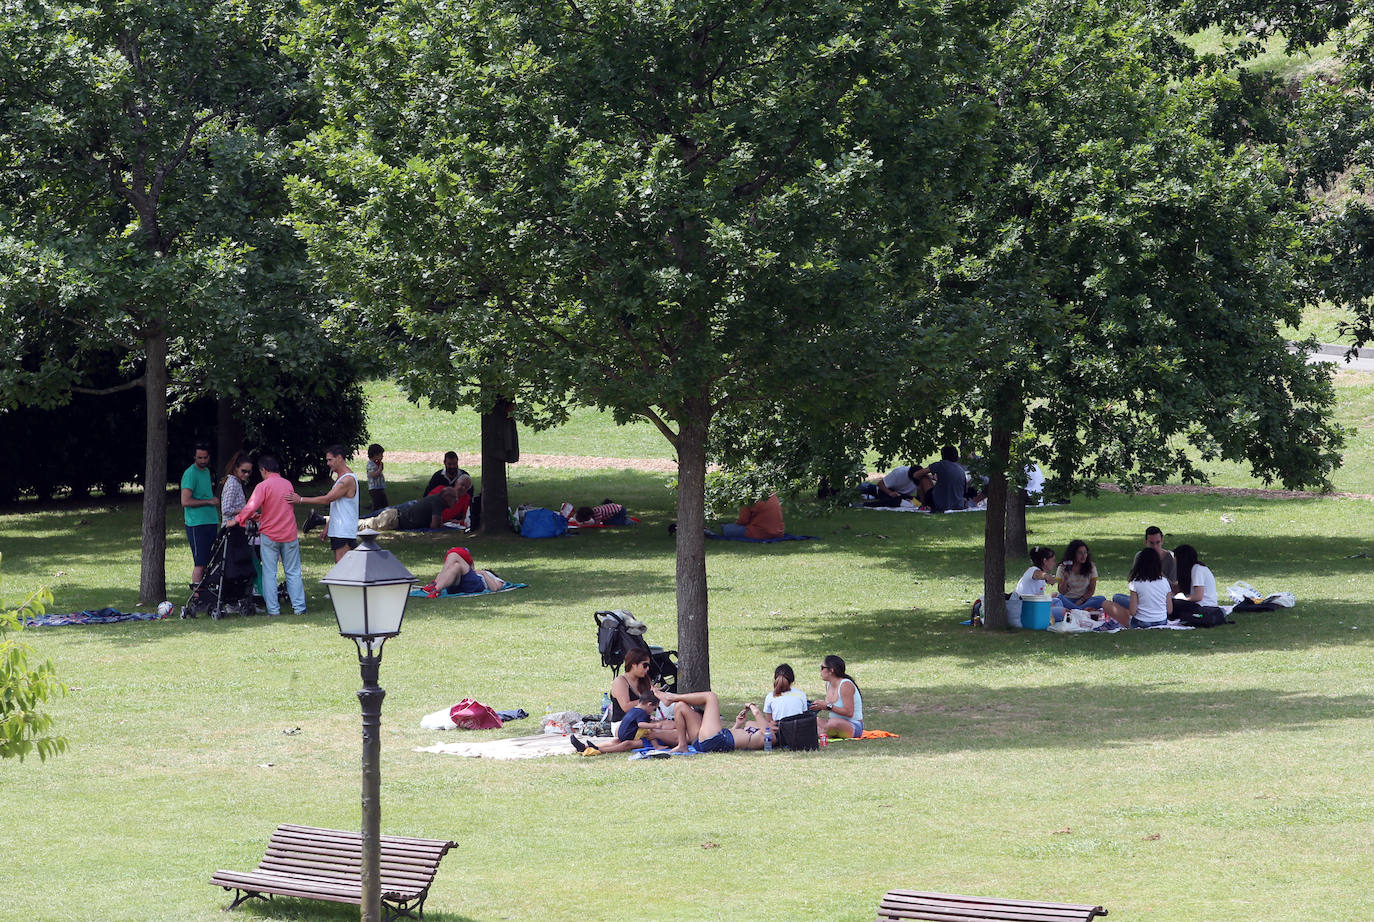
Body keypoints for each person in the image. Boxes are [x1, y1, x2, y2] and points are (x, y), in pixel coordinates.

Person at [234, 454, 306, 616]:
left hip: (270, 535)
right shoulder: (288, 484)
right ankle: (299, 608)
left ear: (264, 470)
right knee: (293, 571)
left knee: (269, 573)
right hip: (289, 533)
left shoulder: (263, 486)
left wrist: (238, 519)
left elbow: (251, 507)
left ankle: (273, 610)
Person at [291, 445, 359, 562]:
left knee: (343, 566)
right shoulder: (341, 478)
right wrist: (328, 526)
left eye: (330, 460)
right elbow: (338, 506)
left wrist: (301, 499)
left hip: (344, 531)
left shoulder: (347, 480)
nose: (328, 463)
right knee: (342, 565)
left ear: (339, 458)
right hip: (340, 530)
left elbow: (327, 499)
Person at [654, 688, 773, 753]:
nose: (773, 722)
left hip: (717, 741)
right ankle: (682, 745)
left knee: (711, 697)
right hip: (710, 741)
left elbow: (760, 719)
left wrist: (752, 706)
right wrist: (738, 724)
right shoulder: (760, 726)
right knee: (680, 706)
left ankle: (671, 697)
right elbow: (735, 737)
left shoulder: (771, 736)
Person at [571, 690, 679, 755]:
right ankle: (586, 746)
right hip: (645, 736)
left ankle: (597, 749)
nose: (653, 712)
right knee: (617, 741)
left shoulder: (672, 724)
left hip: (653, 739)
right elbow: (642, 725)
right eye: (654, 709)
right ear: (649, 704)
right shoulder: (642, 713)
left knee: (627, 744)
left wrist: (657, 726)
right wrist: (656, 724)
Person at [320, 487, 457, 532]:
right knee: (361, 525)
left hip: (393, 516)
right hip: (392, 520)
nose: (456, 502)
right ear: (446, 497)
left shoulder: (435, 500)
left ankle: (325, 519)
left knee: (362, 521)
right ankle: (324, 520)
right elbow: (434, 526)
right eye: (454, 499)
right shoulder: (437, 502)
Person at [1102, 543, 1173, 628]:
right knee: (1118, 597)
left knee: (1106, 604)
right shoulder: (1165, 581)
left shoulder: (1136, 582)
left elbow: (1133, 612)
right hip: (1161, 622)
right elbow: (1169, 610)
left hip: (1141, 623)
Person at [180, 443, 219, 588]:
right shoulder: (190, 474)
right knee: (200, 563)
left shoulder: (208, 471)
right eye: (199, 458)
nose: (203, 460)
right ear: (194, 457)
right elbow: (185, 501)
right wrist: (209, 501)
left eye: (205, 457)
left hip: (211, 521)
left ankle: (206, 592)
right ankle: (197, 596)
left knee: (210, 561)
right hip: (197, 524)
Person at [1112, 526, 1178, 608]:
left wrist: (1159, 574)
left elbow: (1173, 588)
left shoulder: (1171, 558)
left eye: (1157, 542)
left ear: (1162, 541)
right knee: (1117, 597)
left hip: (1162, 600)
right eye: (1151, 543)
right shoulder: (1140, 556)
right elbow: (1133, 581)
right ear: (1146, 542)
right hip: (1142, 597)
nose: (1155, 547)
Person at [809, 654, 864, 739]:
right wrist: (818, 706)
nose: (820, 671)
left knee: (833, 723)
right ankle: (821, 733)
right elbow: (829, 707)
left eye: (822, 668)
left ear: (831, 670)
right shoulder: (828, 684)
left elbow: (849, 712)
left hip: (852, 725)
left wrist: (827, 706)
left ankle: (818, 733)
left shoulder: (845, 684)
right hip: (834, 724)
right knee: (811, 720)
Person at [1008, 546, 1066, 626]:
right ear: (1045, 561)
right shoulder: (1033, 570)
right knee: (1064, 612)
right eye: (1053, 560)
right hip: (1028, 609)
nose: (1054, 563)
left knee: (1057, 600)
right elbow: (1039, 575)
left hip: (1035, 606)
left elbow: (1039, 596)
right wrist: (1047, 577)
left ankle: (1057, 618)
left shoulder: (1039, 575)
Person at [419, 547, 505, 597]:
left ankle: (435, 584)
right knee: (456, 566)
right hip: (456, 588)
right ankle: (436, 591)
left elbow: (494, 589)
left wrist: (484, 573)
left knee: (454, 555)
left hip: (474, 585)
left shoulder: (493, 577)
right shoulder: (474, 573)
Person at [1056, 539, 1105, 611]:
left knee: (1101, 599)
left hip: (1084, 600)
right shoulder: (1063, 567)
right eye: (1080, 553)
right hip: (1067, 599)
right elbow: (1062, 591)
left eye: (1085, 552)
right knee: (1057, 598)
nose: (1083, 556)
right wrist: (1065, 579)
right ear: (1073, 554)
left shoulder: (1091, 566)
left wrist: (1081, 600)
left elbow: (1091, 589)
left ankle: (1075, 610)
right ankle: (1080, 610)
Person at [1171, 544, 1218, 617]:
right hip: (1199, 606)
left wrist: (1182, 599)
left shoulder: (1197, 569)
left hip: (1204, 607)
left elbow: (1198, 596)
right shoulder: (1191, 570)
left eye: (1175, 557)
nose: (1173, 560)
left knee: (1173, 604)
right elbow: (1176, 589)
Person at [858, 464, 930, 508]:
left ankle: (870, 492)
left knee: (914, 501)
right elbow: (880, 484)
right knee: (892, 501)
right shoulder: (899, 472)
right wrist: (890, 493)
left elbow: (921, 493)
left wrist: (923, 504)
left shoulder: (922, 477)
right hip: (886, 490)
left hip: (902, 495)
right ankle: (865, 503)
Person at [925, 445, 969, 513]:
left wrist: (928, 477)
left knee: (923, 478)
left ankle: (925, 505)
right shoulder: (960, 469)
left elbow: (917, 474)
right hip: (958, 504)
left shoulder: (940, 465)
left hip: (941, 504)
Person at [365, 443, 389, 513]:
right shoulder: (370, 464)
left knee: (384, 503)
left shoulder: (375, 463)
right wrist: (380, 469)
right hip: (374, 488)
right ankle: (374, 514)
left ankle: (384, 512)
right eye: (381, 454)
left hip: (380, 487)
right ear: (375, 455)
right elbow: (373, 475)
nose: (382, 456)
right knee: (377, 504)